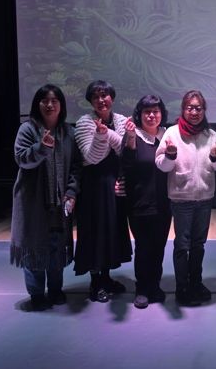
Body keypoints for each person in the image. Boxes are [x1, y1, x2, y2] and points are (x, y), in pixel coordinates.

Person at [11, 84, 81, 311]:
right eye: (45, 101)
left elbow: (76, 167)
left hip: (60, 204)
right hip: (32, 204)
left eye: (54, 101)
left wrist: (71, 192)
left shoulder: (69, 132)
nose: (50, 105)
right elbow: (22, 159)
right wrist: (40, 148)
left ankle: (56, 289)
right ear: (37, 104)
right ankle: (36, 293)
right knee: (34, 248)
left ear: (61, 105)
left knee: (57, 247)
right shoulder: (27, 129)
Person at [155, 90, 216, 306]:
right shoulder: (172, 133)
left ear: (204, 110)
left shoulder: (211, 135)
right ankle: (182, 287)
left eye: (198, 108)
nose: (194, 112)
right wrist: (170, 155)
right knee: (182, 245)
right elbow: (161, 166)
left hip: (205, 197)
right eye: (190, 108)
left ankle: (196, 282)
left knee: (199, 244)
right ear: (183, 109)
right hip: (181, 198)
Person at [74, 80, 132, 302]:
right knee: (95, 232)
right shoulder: (84, 123)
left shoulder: (121, 120)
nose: (101, 100)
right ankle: (95, 282)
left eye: (104, 95)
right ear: (90, 101)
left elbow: (125, 152)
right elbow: (92, 157)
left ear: (112, 98)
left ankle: (106, 278)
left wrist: (108, 135)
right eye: (96, 96)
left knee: (112, 231)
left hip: (114, 185)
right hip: (93, 187)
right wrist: (102, 135)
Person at [122, 95, 171, 309]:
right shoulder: (133, 135)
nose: (151, 115)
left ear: (161, 114)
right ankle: (142, 288)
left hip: (164, 203)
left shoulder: (168, 136)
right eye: (147, 112)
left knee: (159, 247)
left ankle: (155, 285)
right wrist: (131, 139)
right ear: (140, 114)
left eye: (155, 111)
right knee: (143, 247)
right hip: (139, 203)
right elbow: (126, 167)